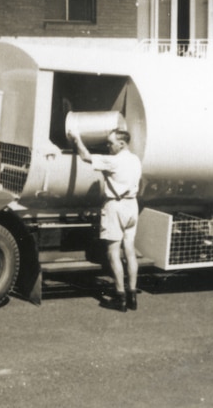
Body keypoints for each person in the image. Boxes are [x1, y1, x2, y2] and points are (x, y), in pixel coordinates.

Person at [69, 128, 142, 312]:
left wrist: (77, 138)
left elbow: (85, 156)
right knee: (130, 250)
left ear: (122, 143)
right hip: (132, 205)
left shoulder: (113, 161)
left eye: (110, 143)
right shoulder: (135, 160)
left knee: (113, 253)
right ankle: (132, 294)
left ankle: (120, 297)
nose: (108, 146)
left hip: (115, 206)